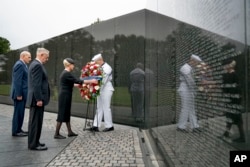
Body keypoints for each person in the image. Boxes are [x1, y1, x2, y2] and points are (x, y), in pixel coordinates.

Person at [54, 58, 98, 139]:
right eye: (72, 64)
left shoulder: (65, 73)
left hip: (65, 95)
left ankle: (70, 132)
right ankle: (56, 134)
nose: (73, 66)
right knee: (62, 113)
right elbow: (78, 81)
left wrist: (82, 85)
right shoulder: (67, 73)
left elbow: (74, 83)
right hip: (65, 96)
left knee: (66, 113)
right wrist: (91, 81)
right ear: (69, 65)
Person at [27, 48, 50, 151]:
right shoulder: (37, 65)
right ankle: (33, 144)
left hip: (36, 99)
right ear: (41, 55)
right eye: (46, 57)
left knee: (36, 121)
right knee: (35, 122)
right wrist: (39, 99)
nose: (47, 59)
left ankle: (36, 141)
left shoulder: (35, 64)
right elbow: (36, 84)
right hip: (37, 100)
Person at [221, 60, 245, 143]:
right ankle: (226, 133)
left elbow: (236, 89)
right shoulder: (228, 75)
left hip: (234, 100)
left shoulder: (234, 75)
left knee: (236, 118)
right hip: (231, 99)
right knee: (230, 117)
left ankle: (242, 137)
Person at [89, 53, 115, 132]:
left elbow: (104, 81)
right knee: (99, 107)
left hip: (106, 89)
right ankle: (96, 125)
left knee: (106, 108)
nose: (95, 64)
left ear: (100, 60)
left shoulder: (107, 67)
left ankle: (109, 126)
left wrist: (96, 89)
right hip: (100, 89)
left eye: (96, 62)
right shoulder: (99, 67)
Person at [177, 54, 202, 132]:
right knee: (185, 108)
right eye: (196, 63)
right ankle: (181, 126)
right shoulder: (185, 68)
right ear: (192, 61)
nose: (196, 65)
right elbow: (190, 81)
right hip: (185, 89)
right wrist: (196, 88)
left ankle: (195, 126)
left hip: (189, 90)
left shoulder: (190, 68)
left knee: (191, 109)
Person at [10, 51, 31, 137]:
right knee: (18, 113)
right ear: (23, 56)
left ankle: (19, 129)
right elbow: (17, 81)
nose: (30, 59)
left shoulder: (23, 65)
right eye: (29, 57)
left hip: (22, 94)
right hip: (19, 94)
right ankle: (16, 131)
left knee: (20, 112)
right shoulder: (19, 65)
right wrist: (19, 94)